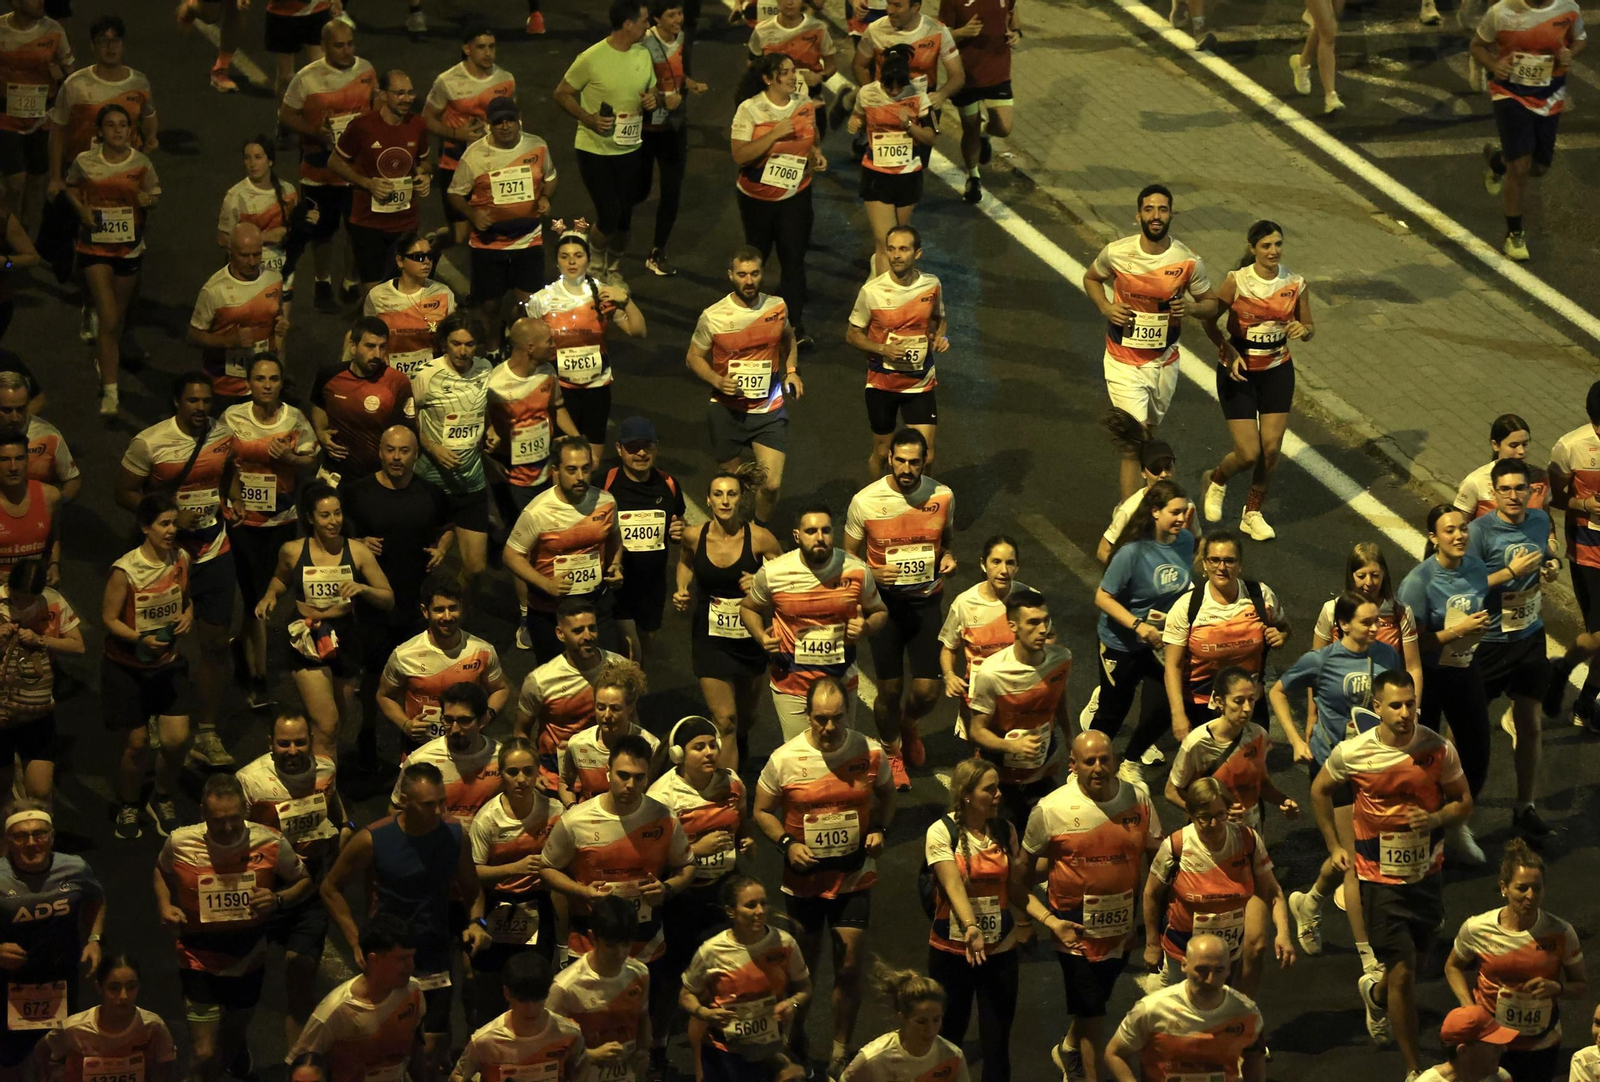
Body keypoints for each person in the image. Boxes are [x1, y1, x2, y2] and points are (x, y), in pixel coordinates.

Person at [1310, 670, 1473, 1079]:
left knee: (1413, 967)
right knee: (1402, 974)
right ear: (1377, 708)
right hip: (1378, 881)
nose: (1405, 713)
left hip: (1427, 876)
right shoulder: (1354, 752)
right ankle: (1414, 1067)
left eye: (1410, 703)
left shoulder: (1438, 748)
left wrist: (1434, 818)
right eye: (1395, 705)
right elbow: (1320, 790)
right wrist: (1334, 845)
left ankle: (1375, 994)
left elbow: (1464, 802)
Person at [751, 676, 896, 1079]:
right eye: (820, 719)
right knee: (804, 970)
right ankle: (794, 1041)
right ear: (807, 716)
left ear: (847, 712)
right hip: (805, 882)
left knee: (849, 966)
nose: (829, 727)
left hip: (854, 877)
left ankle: (839, 1050)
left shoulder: (868, 752)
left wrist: (880, 830)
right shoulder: (784, 759)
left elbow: (887, 795)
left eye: (836, 718)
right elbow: (761, 809)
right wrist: (785, 842)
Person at [320, 763, 492, 1075]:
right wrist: (355, 940)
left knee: (434, 1049)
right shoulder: (374, 839)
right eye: (429, 804)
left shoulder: (455, 835)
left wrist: (476, 923)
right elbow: (330, 888)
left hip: (434, 952)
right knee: (390, 1047)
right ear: (404, 801)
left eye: (443, 801)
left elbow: (473, 891)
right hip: (389, 956)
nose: (440, 811)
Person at [539, 734, 694, 1079]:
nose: (630, 784)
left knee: (638, 1022)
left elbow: (687, 868)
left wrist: (667, 887)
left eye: (639, 777)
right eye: (623, 775)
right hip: (592, 943)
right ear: (608, 772)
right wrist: (581, 891)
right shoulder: (577, 820)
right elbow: (547, 869)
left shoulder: (664, 818)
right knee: (590, 1026)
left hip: (645, 942)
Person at [1015, 730, 1161, 1082]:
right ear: (1073, 766)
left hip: (1122, 929)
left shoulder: (1138, 798)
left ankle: (1067, 1048)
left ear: (1114, 760)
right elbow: (1020, 873)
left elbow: (1158, 860)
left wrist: (1155, 930)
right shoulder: (1050, 810)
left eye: (1105, 759)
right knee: (1094, 1016)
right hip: (1073, 930)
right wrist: (1035, 920)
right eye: (1089, 761)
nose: (1099, 767)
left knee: (1093, 1005)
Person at [154, 772, 313, 1082]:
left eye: (233, 819)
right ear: (203, 813)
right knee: (204, 1054)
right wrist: (165, 905)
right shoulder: (180, 841)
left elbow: (305, 881)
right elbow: (160, 872)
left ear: (245, 811)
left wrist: (278, 899)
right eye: (218, 820)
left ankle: (233, 1048)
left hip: (249, 956)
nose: (227, 827)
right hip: (197, 955)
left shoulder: (269, 841)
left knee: (231, 1036)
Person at [1082, 183, 1220, 498]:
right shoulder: (1117, 252)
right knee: (1134, 442)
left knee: (1148, 434)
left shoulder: (1187, 260)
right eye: (1149, 210)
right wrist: (1106, 306)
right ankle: (1127, 519)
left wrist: (1193, 308)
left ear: (1171, 214)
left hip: (1164, 361)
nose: (1155, 216)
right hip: (1123, 360)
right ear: (1138, 215)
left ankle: (1147, 501)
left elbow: (1210, 304)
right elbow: (1092, 278)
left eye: (1162, 209)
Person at [844, 427, 953, 786]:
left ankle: (908, 722)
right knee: (889, 691)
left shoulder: (943, 496)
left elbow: (945, 540)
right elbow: (847, 560)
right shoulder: (865, 501)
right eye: (900, 461)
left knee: (927, 691)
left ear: (926, 461)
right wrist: (874, 572)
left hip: (926, 602)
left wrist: (949, 557)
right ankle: (892, 752)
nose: (907, 469)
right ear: (889, 458)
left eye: (914, 462)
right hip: (884, 608)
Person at [341, 425, 454, 766]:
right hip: (373, 601)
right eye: (390, 449)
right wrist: (358, 544)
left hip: (414, 600)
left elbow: (447, 528)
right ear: (379, 451)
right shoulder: (356, 492)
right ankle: (368, 731)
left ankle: (415, 741)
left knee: (417, 675)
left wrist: (442, 549)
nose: (396, 457)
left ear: (416, 455)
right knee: (375, 671)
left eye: (404, 451)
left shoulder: (431, 493)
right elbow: (333, 533)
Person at [237, 711, 351, 1047]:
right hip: (262, 889)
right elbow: (230, 835)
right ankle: (235, 1042)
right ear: (270, 744)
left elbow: (336, 809)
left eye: (299, 742)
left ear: (311, 742)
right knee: (245, 980)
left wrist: (344, 830)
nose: (292, 750)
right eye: (283, 743)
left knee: (301, 977)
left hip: (310, 887)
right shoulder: (249, 780)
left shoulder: (326, 769)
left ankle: (297, 1064)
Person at [257, 482, 394, 757]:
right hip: (306, 635)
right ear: (310, 518)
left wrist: (363, 589)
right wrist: (270, 594)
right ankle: (320, 789)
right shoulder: (293, 551)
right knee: (327, 722)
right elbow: (281, 578)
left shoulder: (357, 552)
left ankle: (317, 772)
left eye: (338, 513)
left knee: (336, 725)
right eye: (325, 515)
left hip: (344, 635)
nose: (334, 522)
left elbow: (388, 598)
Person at [1197, 219, 1313, 541]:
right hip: (1239, 370)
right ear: (1253, 249)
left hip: (1277, 370)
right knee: (1248, 454)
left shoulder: (1296, 283)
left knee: (1271, 449)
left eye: (1277, 244)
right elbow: (1209, 320)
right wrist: (1226, 348)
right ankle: (1218, 479)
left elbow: (1309, 327)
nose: (1273, 251)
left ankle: (1252, 513)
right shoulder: (1237, 282)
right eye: (1266, 246)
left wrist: (1303, 331)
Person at [1468, 458, 1559, 842]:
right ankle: (1455, 811)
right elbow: (1464, 586)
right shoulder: (1478, 532)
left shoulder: (1538, 522)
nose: (1512, 496)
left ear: (1529, 491)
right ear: (1493, 492)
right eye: (1504, 489)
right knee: (1468, 733)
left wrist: (1551, 567)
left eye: (1519, 488)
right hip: (1488, 643)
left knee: (1530, 724)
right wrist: (1507, 573)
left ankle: (1525, 806)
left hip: (1529, 636)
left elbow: (1549, 558)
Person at [741, 502, 887, 739]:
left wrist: (866, 627)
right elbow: (748, 608)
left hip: (840, 682)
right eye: (811, 531)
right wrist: (760, 636)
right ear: (797, 536)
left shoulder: (857, 570)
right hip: (791, 684)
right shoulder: (774, 573)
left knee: (840, 751)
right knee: (800, 757)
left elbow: (880, 611)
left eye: (826, 530)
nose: (820, 537)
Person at [1445, 839, 1586, 1082]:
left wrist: (1558, 988)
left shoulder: (1561, 932)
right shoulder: (1477, 928)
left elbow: (1581, 986)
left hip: (1542, 1043)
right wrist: (1470, 1008)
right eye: (1522, 888)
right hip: (1492, 1041)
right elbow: (1452, 967)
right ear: (1504, 887)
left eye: (1537, 888)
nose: (1530, 896)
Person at [1141, 778, 1294, 1000]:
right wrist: (1152, 944)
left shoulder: (1248, 841)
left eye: (1220, 815)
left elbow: (1273, 893)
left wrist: (1283, 934)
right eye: (1204, 818)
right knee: (1183, 1013)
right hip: (1183, 950)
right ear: (1192, 816)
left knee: (1216, 1008)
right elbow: (1151, 894)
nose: (1214, 824)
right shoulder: (1176, 846)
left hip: (1227, 953)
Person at [1398, 505, 1492, 863]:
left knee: (1478, 750)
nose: (1459, 535)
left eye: (1463, 528)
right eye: (1449, 530)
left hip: (1464, 668)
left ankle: (1455, 823)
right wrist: (1457, 632)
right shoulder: (1418, 583)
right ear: (1433, 538)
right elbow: (1413, 642)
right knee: (1423, 759)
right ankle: (1422, 834)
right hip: (1429, 677)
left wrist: (1474, 634)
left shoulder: (1477, 569)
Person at [223, 354, 318, 708]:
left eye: (273, 379)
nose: (266, 385)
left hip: (282, 520)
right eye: (260, 378)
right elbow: (219, 462)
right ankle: (258, 678)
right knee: (254, 596)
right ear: (249, 382)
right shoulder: (232, 418)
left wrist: (290, 460)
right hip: (244, 522)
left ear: (281, 383)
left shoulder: (294, 418)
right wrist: (231, 497)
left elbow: (311, 460)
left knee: (267, 592)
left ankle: (241, 646)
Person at [674, 467, 782, 769]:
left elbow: (788, 579)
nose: (725, 501)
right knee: (725, 720)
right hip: (710, 638)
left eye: (731, 494)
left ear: (741, 499)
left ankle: (740, 741)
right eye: (718, 494)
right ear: (708, 500)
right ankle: (729, 794)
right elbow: (685, 563)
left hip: (751, 638)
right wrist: (682, 588)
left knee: (746, 717)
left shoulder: (761, 540)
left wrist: (762, 581)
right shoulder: (695, 537)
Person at [923, 758, 1023, 1082]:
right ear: (966, 794)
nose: (998, 795)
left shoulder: (1005, 830)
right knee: (949, 1037)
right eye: (989, 789)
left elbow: (1018, 889)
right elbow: (952, 885)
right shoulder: (941, 832)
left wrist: (1050, 920)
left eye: (998, 788)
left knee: (997, 1044)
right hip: (953, 951)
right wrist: (970, 927)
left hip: (1000, 951)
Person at [100, 493, 192, 840]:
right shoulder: (125, 570)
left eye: (174, 522)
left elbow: (187, 599)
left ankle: (162, 797)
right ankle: (129, 803)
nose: (171, 530)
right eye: (163, 524)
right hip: (127, 667)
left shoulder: (181, 558)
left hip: (168, 664)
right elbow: (108, 618)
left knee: (176, 739)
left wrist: (188, 616)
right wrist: (139, 638)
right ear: (145, 527)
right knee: (138, 744)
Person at [686, 246, 801, 523]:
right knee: (734, 485)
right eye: (741, 274)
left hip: (768, 409)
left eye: (754, 274)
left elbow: (787, 338)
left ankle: (757, 531)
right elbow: (693, 357)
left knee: (771, 485)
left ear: (762, 274)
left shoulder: (777, 306)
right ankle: (732, 532)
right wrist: (716, 379)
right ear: (730, 275)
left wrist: (792, 371)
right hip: (727, 411)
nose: (748, 281)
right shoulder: (713, 316)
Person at [1090, 480, 1194, 775]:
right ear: (1155, 512)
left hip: (1158, 643)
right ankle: (1083, 767)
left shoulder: (1186, 541)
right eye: (1174, 512)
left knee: (1167, 704)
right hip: (1120, 644)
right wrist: (1137, 624)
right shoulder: (1131, 553)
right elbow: (1102, 596)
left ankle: (1131, 761)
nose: (1181, 518)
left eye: (1184, 512)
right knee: (1113, 714)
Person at [554, 0, 660, 283]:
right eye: (644, 21)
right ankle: (596, 261)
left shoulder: (642, 54)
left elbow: (652, 88)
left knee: (624, 219)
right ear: (628, 24)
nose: (648, 26)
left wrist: (653, 97)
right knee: (609, 213)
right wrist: (588, 118)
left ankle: (613, 269)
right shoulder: (591, 58)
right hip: (595, 149)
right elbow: (562, 93)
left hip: (632, 148)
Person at [1473, 0, 1587, 261]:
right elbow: (1477, 46)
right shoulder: (1501, 12)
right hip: (1510, 93)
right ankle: (1514, 235)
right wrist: (1493, 66)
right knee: (1521, 166)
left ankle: (1498, 162)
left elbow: (1579, 39)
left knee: (1538, 168)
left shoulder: (1569, 8)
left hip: (1550, 95)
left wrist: (1571, 52)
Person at [64, 103, 157, 417]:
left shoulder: (141, 163)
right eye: (111, 125)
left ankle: (105, 360)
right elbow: (71, 186)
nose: (118, 131)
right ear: (100, 132)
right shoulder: (85, 162)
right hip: (94, 248)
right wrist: (82, 211)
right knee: (109, 318)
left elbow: (153, 193)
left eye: (123, 125)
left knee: (117, 319)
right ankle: (111, 394)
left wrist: (149, 200)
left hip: (129, 248)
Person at [523, 227, 647, 463]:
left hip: (596, 390)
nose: (572, 261)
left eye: (578, 256)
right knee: (564, 462)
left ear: (588, 259)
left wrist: (627, 301)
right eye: (565, 256)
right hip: (559, 393)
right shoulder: (541, 300)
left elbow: (638, 331)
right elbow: (527, 348)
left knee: (592, 462)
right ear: (557, 261)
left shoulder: (602, 293)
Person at [277, 19, 376, 310]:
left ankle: (349, 281)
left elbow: (373, 108)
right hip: (319, 169)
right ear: (323, 47)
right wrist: (314, 132)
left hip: (357, 169)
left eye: (350, 44)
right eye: (339, 45)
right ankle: (322, 282)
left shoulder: (366, 71)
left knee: (357, 229)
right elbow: (286, 115)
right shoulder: (306, 78)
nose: (346, 51)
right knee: (322, 231)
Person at [0, 801, 104, 1073]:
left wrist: (94, 939)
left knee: (58, 1055)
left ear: (52, 837)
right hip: (10, 981)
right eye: (20, 836)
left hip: (60, 978)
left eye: (39, 834)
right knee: (11, 1059)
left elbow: (96, 899)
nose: (31, 843)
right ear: (8, 841)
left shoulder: (75, 868)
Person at [447, 98, 556, 353]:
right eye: (498, 122)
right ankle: (494, 350)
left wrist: (545, 197)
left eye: (509, 120)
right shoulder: (475, 155)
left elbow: (550, 178)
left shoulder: (537, 146)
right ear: (489, 125)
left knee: (529, 304)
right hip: (489, 243)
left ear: (519, 120)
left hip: (528, 238)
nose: (505, 127)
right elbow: (455, 193)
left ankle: (518, 346)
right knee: (489, 306)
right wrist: (472, 214)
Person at [679, 875, 810, 1082]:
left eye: (763, 903)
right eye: (751, 905)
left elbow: (804, 987)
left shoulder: (784, 943)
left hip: (769, 1048)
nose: (760, 911)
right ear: (731, 911)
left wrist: (791, 1003)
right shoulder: (711, 951)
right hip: (725, 1052)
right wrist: (704, 1013)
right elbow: (686, 995)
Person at [468, 738, 563, 1020]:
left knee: (534, 990)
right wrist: (514, 867)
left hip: (537, 906)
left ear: (538, 772)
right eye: (512, 772)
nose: (521, 779)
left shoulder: (555, 812)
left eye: (528, 771)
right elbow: (472, 873)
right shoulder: (488, 819)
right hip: (497, 906)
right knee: (492, 993)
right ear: (501, 774)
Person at [731, 56, 824, 345]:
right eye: (784, 73)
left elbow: (812, 137)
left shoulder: (803, 101)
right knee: (756, 260)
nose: (792, 77)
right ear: (768, 78)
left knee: (794, 259)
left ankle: (794, 327)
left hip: (795, 193)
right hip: (756, 198)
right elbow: (740, 155)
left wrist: (815, 154)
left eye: (794, 71)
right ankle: (747, 320)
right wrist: (775, 133)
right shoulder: (750, 109)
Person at [505, 437, 625, 661]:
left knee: (609, 675)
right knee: (557, 684)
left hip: (595, 606)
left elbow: (615, 537)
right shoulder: (537, 511)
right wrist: (546, 584)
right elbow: (511, 555)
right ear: (556, 471)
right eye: (571, 470)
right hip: (550, 612)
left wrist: (616, 564)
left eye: (585, 469)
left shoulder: (606, 502)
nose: (580, 477)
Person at [1162, 530, 1289, 736]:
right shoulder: (1187, 607)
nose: (1222, 567)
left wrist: (1281, 637)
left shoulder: (1260, 595)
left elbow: (1284, 627)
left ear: (1240, 564)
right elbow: (1173, 666)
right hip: (1203, 705)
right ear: (1204, 563)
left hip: (1249, 702)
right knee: (1209, 767)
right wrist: (1178, 715)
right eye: (1214, 560)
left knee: (1252, 764)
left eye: (1229, 561)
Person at [649, 717, 753, 966]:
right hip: (683, 896)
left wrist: (746, 840)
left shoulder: (733, 783)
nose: (709, 753)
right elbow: (650, 858)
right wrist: (695, 850)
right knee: (685, 966)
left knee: (729, 961)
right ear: (678, 754)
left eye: (712, 745)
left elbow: (743, 823)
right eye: (698, 747)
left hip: (724, 886)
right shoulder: (661, 797)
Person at [846, 224, 947, 475]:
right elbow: (852, 334)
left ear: (918, 253)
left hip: (919, 382)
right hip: (883, 384)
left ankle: (918, 507)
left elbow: (940, 318)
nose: (896, 255)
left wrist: (940, 337)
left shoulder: (931, 285)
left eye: (903, 249)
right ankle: (875, 505)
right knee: (883, 454)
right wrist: (882, 349)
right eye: (891, 249)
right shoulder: (872, 292)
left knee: (927, 455)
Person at [967, 588, 1072, 828]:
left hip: (1042, 766)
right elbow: (977, 730)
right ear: (1013, 626)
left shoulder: (1062, 659)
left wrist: (1070, 738)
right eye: (1033, 623)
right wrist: (1011, 746)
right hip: (1000, 773)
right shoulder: (991, 672)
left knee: (1047, 834)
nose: (1043, 629)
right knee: (1004, 841)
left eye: (1045, 621)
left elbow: (1060, 700)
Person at [1104, 933, 1266, 1082]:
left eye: (1219, 970)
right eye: (1201, 970)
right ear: (1184, 965)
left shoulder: (1246, 1013)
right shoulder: (1152, 1009)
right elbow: (1115, 1053)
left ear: (1228, 970)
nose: (1210, 979)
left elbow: (1255, 1062)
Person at [377, 572, 508, 752]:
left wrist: (487, 715)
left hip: (467, 745)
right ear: (425, 611)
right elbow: (384, 696)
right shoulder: (404, 654)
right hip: (421, 748)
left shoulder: (482, 650)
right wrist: (406, 724)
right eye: (439, 610)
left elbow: (500, 689)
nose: (447, 616)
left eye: (453, 608)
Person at [288, 913, 427, 1082]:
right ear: (374, 960)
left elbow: (415, 1047)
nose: (411, 965)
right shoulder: (335, 1011)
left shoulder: (412, 992)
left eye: (412, 956)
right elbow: (301, 1068)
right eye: (402, 959)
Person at [330, 68, 432, 296]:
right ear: (383, 94)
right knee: (374, 293)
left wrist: (425, 177)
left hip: (405, 221)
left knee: (405, 287)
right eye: (399, 93)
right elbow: (335, 162)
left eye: (410, 93)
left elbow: (424, 163)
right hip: (369, 223)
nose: (407, 99)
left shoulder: (418, 125)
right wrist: (367, 183)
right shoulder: (362, 126)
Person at [412, 312, 492, 591]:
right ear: (444, 343)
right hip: (431, 482)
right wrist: (432, 447)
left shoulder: (485, 369)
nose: (463, 351)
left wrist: (491, 430)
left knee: (476, 567)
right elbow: (408, 420)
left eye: (469, 344)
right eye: (456, 343)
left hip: (471, 482)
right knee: (422, 561)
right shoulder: (427, 376)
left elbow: (488, 409)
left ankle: (453, 607)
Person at [48, 16, 158, 219]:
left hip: (124, 175)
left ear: (123, 45)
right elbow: (58, 129)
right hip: (83, 175)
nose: (110, 47)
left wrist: (151, 138)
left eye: (115, 40)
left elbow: (149, 114)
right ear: (92, 45)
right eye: (103, 41)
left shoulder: (139, 83)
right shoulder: (75, 84)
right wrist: (56, 177)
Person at [515, 598, 628, 792]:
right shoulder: (540, 680)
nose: (588, 636)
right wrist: (532, 772)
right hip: (556, 777)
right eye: (577, 631)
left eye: (592, 628)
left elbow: (632, 719)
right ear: (560, 634)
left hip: (609, 775)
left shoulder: (621, 668)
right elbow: (521, 731)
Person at [1164, 668, 1295, 832]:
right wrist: (1210, 815)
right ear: (1220, 701)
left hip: (1251, 831)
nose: (1247, 708)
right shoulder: (1197, 743)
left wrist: (1283, 801)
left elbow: (1261, 784)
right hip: (1213, 834)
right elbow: (1171, 792)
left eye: (1251, 699)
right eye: (1239, 701)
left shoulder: (1258, 735)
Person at [597, 415, 685, 660]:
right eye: (633, 447)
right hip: (617, 583)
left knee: (645, 646)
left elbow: (678, 522)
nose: (641, 453)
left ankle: (633, 693)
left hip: (652, 584)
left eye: (647, 446)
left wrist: (679, 532)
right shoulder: (604, 483)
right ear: (619, 449)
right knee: (628, 651)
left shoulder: (668, 484)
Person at [421, 25, 514, 251]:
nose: (488, 53)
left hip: (489, 164)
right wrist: (455, 134)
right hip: (455, 163)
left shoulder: (505, 80)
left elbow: (512, 118)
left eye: (492, 47)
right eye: (481, 47)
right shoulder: (447, 81)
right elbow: (426, 119)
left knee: (488, 227)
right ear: (467, 49)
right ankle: (432, 246)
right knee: (459, 236)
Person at [847, 50, 936, 278]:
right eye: (889, 87)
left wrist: (909, 125)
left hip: (908, 175)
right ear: (881, 79)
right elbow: (858, 116)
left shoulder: (919, 97)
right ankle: (883, 294)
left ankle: (882, 276)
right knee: (885, 239)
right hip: (877, 174)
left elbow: (930, 137)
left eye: (899, 87)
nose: (895, 92)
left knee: (897, 237)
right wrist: (854, 122)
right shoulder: (867, 93)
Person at [0, 557, 82, 800]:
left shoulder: (53, 601)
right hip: (1, 710)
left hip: (35, 706)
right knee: (2, 790)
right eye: (17, 599)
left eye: (30, 600)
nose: (23, 606)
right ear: (9, 587)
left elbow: (78, 646)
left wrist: (42, 640)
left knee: (40, 791)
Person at [546, 897, 651, 1082]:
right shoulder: (565, 986)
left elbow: (643, 1018)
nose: (619, 953)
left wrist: (643, 1051)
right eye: (610, 945)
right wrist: (591, 1055)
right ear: (593, 937)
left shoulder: (640, 973)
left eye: (626, 944)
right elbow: (546, 1045)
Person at [638, 0, 706, 276]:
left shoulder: (682, 38)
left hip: (674, 127)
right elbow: (637, 85)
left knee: (672, 190)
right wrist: (666, 98)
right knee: (638, 190)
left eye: (680, 13)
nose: (678, 19)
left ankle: (657, 251)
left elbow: (680, 74)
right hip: (645, 130)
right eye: (672, 14)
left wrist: (690, 84)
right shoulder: (642, 44)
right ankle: (611, 237)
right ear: (656, 18)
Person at [188, 224, 289, 409]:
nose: (252, 262)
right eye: (244, 255)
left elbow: (275, 313)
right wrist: (227, 341)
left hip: (261, 384)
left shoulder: (273, 279)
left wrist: (280, 323)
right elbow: (193, 336)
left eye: (257, 254)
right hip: (224, 385)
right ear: (230, 252)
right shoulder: (213, 290)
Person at [1547, 383, 1600, 729]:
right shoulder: (1571, 447)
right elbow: (1553, 498)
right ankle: (1564, 671)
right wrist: (1584, 504)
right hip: (1588, 551)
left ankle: (1582, 704)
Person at [938, 535, 1027, 740]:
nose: (1003, 570)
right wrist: (950, 676)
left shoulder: (1028, 599)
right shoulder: (965, 603)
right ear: (983, 564)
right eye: (996, 562)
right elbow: (949, 648)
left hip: (1018, 693)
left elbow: (1047, 641)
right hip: (978, 698)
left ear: (1017, 567)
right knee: (981, 759)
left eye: (1010, 563)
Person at [451, 952, 588, 1082]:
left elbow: (579, 1074)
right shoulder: (485, 1040)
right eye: (523, 1000)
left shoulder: (570, 1035)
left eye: (537, 999)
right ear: (507, 993)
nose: (531, 1008)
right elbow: (457, 1076)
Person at [309, 317, 415, 483]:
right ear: (353, 346)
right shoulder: (329, 376)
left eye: (382, 347)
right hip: (336, 475)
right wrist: (320, 433)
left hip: (377, 478)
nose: (377, 355)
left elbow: (407, 432)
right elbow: (319, 404)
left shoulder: (398, 382)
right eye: (370, 346)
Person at [43, 953, 176, 1082]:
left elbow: (162, 1073)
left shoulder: (153, 1027)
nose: (123, 996)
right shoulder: (73, 1027)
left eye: (131, 987)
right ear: (99, 988)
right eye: (114, 988)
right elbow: (40, 1057)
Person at [390, 680, 503, 829]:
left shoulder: (502, 758)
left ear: (482, 720)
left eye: (465, 720)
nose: (454, 729)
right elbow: (396, 809)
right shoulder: (420, 760)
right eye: (448, 720)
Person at [940, 0, 1017, 203]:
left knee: (1004, 128)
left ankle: (985, 134)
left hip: (997, 71)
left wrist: (1016, 32)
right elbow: (941, 35)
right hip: (966, 75)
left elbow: (1012, 11)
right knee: (969, 127)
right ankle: (973, 176)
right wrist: (963, 32)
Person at [839, 965, 967, 1082]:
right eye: (921, 1022)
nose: (931, 1030)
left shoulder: (952, 1057)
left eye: (936, 1020)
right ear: (902, 1018)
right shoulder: (874, 1057)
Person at [559, 658, 659, 805]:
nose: (606, 715)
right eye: (600, 708)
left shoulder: (651, 746)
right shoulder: (577, 744)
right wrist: (572, 806)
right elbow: (565, 782)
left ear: (630, 708)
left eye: (615, 708)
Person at [363, 232, 456, 380]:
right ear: (400, 261)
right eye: (419, 257)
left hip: (434, 377)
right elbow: (367, 338)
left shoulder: (444, 294)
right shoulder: (378, 296)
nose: (426, 262)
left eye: (429, 256)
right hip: (389, 377)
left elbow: (453, 337)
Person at [1457, 414, 1551, 519]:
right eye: (1513, 446)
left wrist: (1551, 535)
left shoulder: (1541, 478)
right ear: (1495, 445)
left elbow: (1546, 521)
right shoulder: (1475, 482)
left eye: (1525, 444)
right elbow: (1459, 525)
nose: (1521, 451)